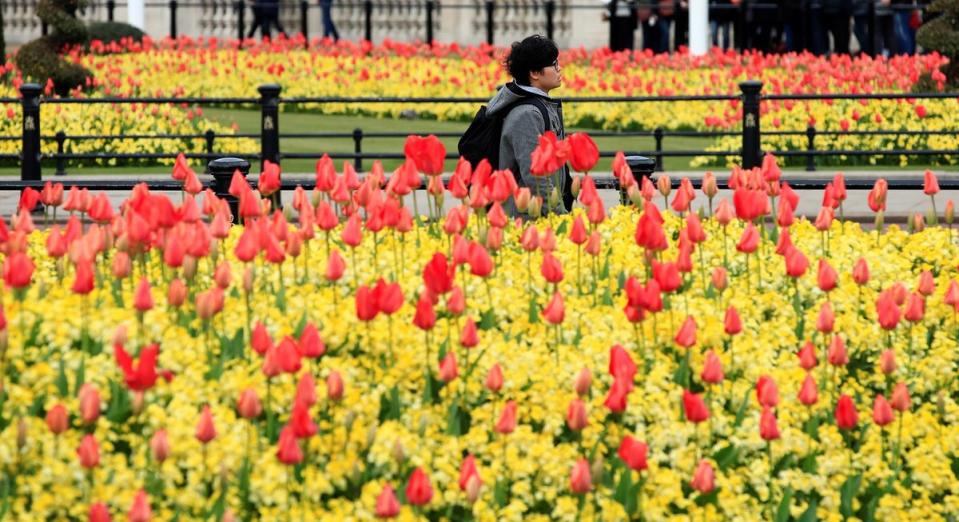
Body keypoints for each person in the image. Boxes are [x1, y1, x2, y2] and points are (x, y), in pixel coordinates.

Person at [486, 35, 572, 215]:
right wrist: (559, 215)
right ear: (534, 73)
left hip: (537, 214)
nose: (560, 68)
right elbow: (535, 175)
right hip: (527, 219)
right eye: (554, 64)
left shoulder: (539, 105)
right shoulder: (528, 114)